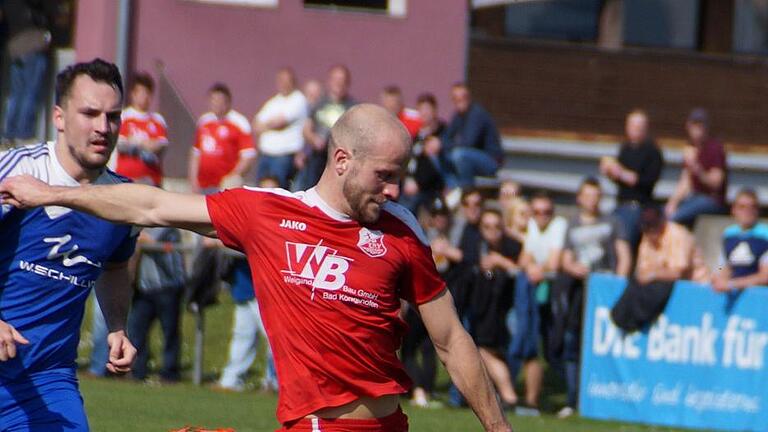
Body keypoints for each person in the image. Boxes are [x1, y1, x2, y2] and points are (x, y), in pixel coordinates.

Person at [1, 104, 513, 432]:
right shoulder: (268, 214)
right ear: (341, 161)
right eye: (383, 175)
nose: (395, 189)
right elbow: (151, 206)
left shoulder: (401, 231)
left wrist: (498, 429)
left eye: (399, 176)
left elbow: (451, 340)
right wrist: (54, 193)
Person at [0, 58, 137, 431]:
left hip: (47, 379)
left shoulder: (121, 200)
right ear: (59, 118)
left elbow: (114, 266)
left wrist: (117, 327)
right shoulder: (17, 171)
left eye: (112, 116)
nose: (102, 127)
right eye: (89, 113)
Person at [550, 177, 631, 418]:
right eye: (588, 195)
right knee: (572, 341)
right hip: (579, 292)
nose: (592, 200)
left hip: (603, 292)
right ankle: (572, 398)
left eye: (596, 195)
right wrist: (574, 268)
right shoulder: (572, 224)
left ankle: (603, 399)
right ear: (579, 198)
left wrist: (616, 284)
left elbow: (623, 256)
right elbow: (565, 259)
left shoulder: (613, 222)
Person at [217, 176, 279, 392]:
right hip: (244, 289)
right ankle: (231, 380)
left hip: (268, 293)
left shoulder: (277, 221)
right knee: (242, 336)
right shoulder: (248, 216)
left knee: (274, 339)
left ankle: (274, 381)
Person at [510, 191, 567, 416]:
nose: (542, 216)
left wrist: (536, 267)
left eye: (547, 212)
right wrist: (533, 266)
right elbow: (524, 259)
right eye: (537, 212)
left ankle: (566, 395)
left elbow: (553, 262)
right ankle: (521, 398)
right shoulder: (532, 225)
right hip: (532, 295)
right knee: (527, 342)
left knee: (554, 349)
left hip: (555, 296)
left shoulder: (559, 226)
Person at [473, 208, 521, 410]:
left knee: (486, 350)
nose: (492, 231)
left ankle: (509, 396)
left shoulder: (513, 247)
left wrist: (500, 262)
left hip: (505, 310)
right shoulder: (477, 247)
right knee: (484, 350)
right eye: (487, 227)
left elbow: (522, 271)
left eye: (496, 226)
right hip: (483, 308)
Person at [127, 224, 186, 383]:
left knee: (169, 332)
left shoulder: (167, 223)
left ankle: (170, 373)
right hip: (144, 286)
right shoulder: (141, 223)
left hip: (167, 286)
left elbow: (151, 240)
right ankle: (137, 371)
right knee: (136, 330)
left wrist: (130, 234)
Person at [601, 109, 664, 249]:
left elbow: (647, 181)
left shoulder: (652, 152)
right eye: (632, 126)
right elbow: (621, 181)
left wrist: (621, 173)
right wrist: (610, 173)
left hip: (638, 206)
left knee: (623, 239)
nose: (635, 130)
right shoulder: (625, 149)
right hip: (620, 203)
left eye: (638, 127)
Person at [188, 83, 256, 193]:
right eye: (213, 100)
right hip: (203, 184)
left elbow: (248, 156)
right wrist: (192, 179)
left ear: (227, 102)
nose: (216, 103)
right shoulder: (204, 121)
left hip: (225, 186)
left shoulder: (239, 122)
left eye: (219, 100)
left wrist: (233, 176)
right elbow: (196, 153)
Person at [665, 108, 728, 228]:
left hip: (711, 200)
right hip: (694, 197)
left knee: (676, 217)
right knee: (663, 215)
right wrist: (672, 202)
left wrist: (697, 169)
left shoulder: (714, 148)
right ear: (688, 127)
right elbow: (685, 182)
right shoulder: (690, 148)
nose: (697, 129)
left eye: (701, 125)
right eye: (694, 125)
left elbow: (716, 182)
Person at [297, 64, 355, 191]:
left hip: (339, 159)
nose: (338, 84)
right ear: (330, 81)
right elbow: (306, 129)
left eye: (342, 80)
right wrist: (314, 139)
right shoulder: (319, 103)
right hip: (317, 157)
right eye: (336, 79)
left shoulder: (353, 107)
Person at [2, 0, 50, 145]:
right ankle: (23, 134)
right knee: (30, 93)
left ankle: (8, 134)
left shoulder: (8, 4)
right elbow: (43, 18)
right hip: (32, 47)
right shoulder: (32, 5)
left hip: (15, 49)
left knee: (15, 95)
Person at [252, 68, 308, 189]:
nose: (283, 83)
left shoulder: (298, 100)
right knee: (259, 192)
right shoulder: (273, 102)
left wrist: (266, 125)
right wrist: (268, 124)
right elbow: (256, 124)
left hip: (283, 156)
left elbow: (280, 122)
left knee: (277, 193)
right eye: (281, 80)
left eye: (286, 80)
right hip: (265, 154)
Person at [114, 72, 169, 187]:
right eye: (141, 92)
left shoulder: (158, 120)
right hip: (125, 179)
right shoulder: (124, 117)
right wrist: (145, 144)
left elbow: (160, 146)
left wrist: (135, 142)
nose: (144, 97)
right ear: (133, 94)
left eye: (147, 93)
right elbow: (121, 145)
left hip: (151, 180)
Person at [442, 83, 502, 188]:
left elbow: (468, 142)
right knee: (441, 155)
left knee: (459, 155)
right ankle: (453, 190)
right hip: (470, 156)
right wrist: (443, 145)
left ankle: (467, 191)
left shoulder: (477, 114)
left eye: (463, 97)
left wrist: (451, 144)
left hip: (490, 160)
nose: (460, 101)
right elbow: (446, 138)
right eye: (456, 98)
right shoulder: (458, 116)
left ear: (469, 97)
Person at [711, 188, 768, 292]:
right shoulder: (729, 235)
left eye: (752, 207)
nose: (747, 211)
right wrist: (718, 276)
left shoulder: (764, 236)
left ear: (758, 210)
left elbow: (765, 276)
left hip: (757, 294)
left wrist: (733, 284)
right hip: (733, 291)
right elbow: (722, 265)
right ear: (733, 210)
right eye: (742, 207)